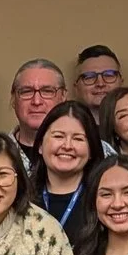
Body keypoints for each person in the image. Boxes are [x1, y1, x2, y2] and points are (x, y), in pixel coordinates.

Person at [29, 101, 105, 246]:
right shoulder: (20, 196)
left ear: (91, 150)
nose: (67, 146)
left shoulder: (103, 199)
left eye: (78, 138)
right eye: (58, 136)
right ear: (40, 145)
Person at [7, 59, 66, 152]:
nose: (36, 101)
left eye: (47, 91)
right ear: (13, 99)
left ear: (63, 97)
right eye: (27, 91)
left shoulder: (82, 152)